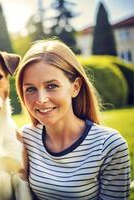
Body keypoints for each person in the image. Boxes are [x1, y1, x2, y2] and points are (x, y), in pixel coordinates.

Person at [15, 39, 131, 199]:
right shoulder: (25, 138)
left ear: (75, 87)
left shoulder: (109, 145)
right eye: (30, 89)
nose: (40, 99)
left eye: (51, 86)